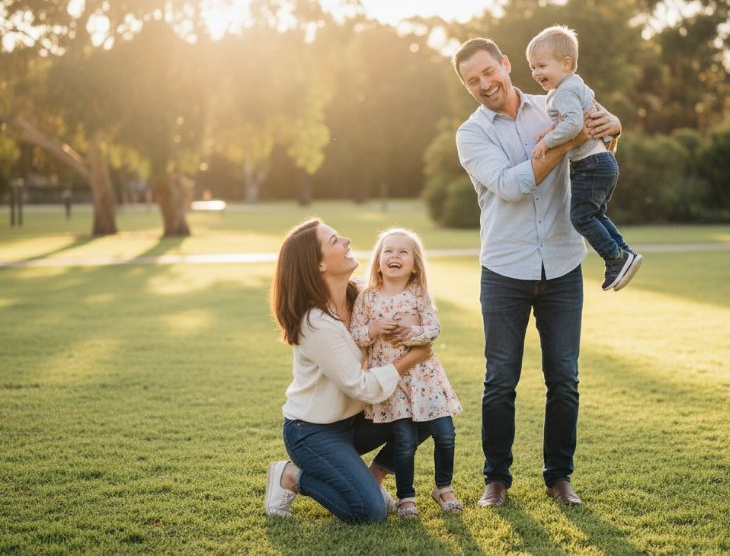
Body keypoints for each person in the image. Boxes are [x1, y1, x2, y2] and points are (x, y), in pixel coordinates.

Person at [452, 37, 623, 507]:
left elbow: (601, 139)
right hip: (505, 268)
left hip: (563, 263)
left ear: (506, 65)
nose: (485, 84)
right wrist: (571, 137)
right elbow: (511, 185)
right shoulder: (471, 134)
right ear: (467, 86)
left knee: (564, 377)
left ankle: (559, 477)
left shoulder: (555, 99)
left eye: (489, 71)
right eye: (472, 80)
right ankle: (496, 480)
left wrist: (613, 126)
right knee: (500, 380)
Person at [264, 218, 432, 522]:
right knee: (369, 512)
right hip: (312, 432)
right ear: (319, 265)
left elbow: (412, 302)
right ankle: (289, 476)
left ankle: (374, 477)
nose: (346, 240)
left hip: (355, 421)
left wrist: (417, 329)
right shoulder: (314, 323)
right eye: (334, 241)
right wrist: (409, 360)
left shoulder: (361, 298)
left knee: (428, 412)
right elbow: (361, 387)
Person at [350, 228, 463, 517]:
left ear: (414, 265)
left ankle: (443, 487)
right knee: (404, 440)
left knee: (445, 433)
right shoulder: (368, 298)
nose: (394, 256)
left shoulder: (418, 294)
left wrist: (411, 332)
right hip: (393, 381)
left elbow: (433, 330)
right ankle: (406, 497)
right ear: (378, 262)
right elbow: (356, 335)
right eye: (388, 251)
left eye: (403, 252)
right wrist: (374, 329)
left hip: (426, 378)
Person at [527, 25, 642, 291]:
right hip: (602, 163)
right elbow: (569, 119)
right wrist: (551, 129)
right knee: (595, 214)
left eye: (542, 66)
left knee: (581, 217)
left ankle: (616, 258)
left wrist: (547, 141)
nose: (536, 73)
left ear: (567, 63)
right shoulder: (571, 87)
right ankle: (625, 254)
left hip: (591, 164)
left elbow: (573, 126)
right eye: (532, 67)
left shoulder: (565, 91)